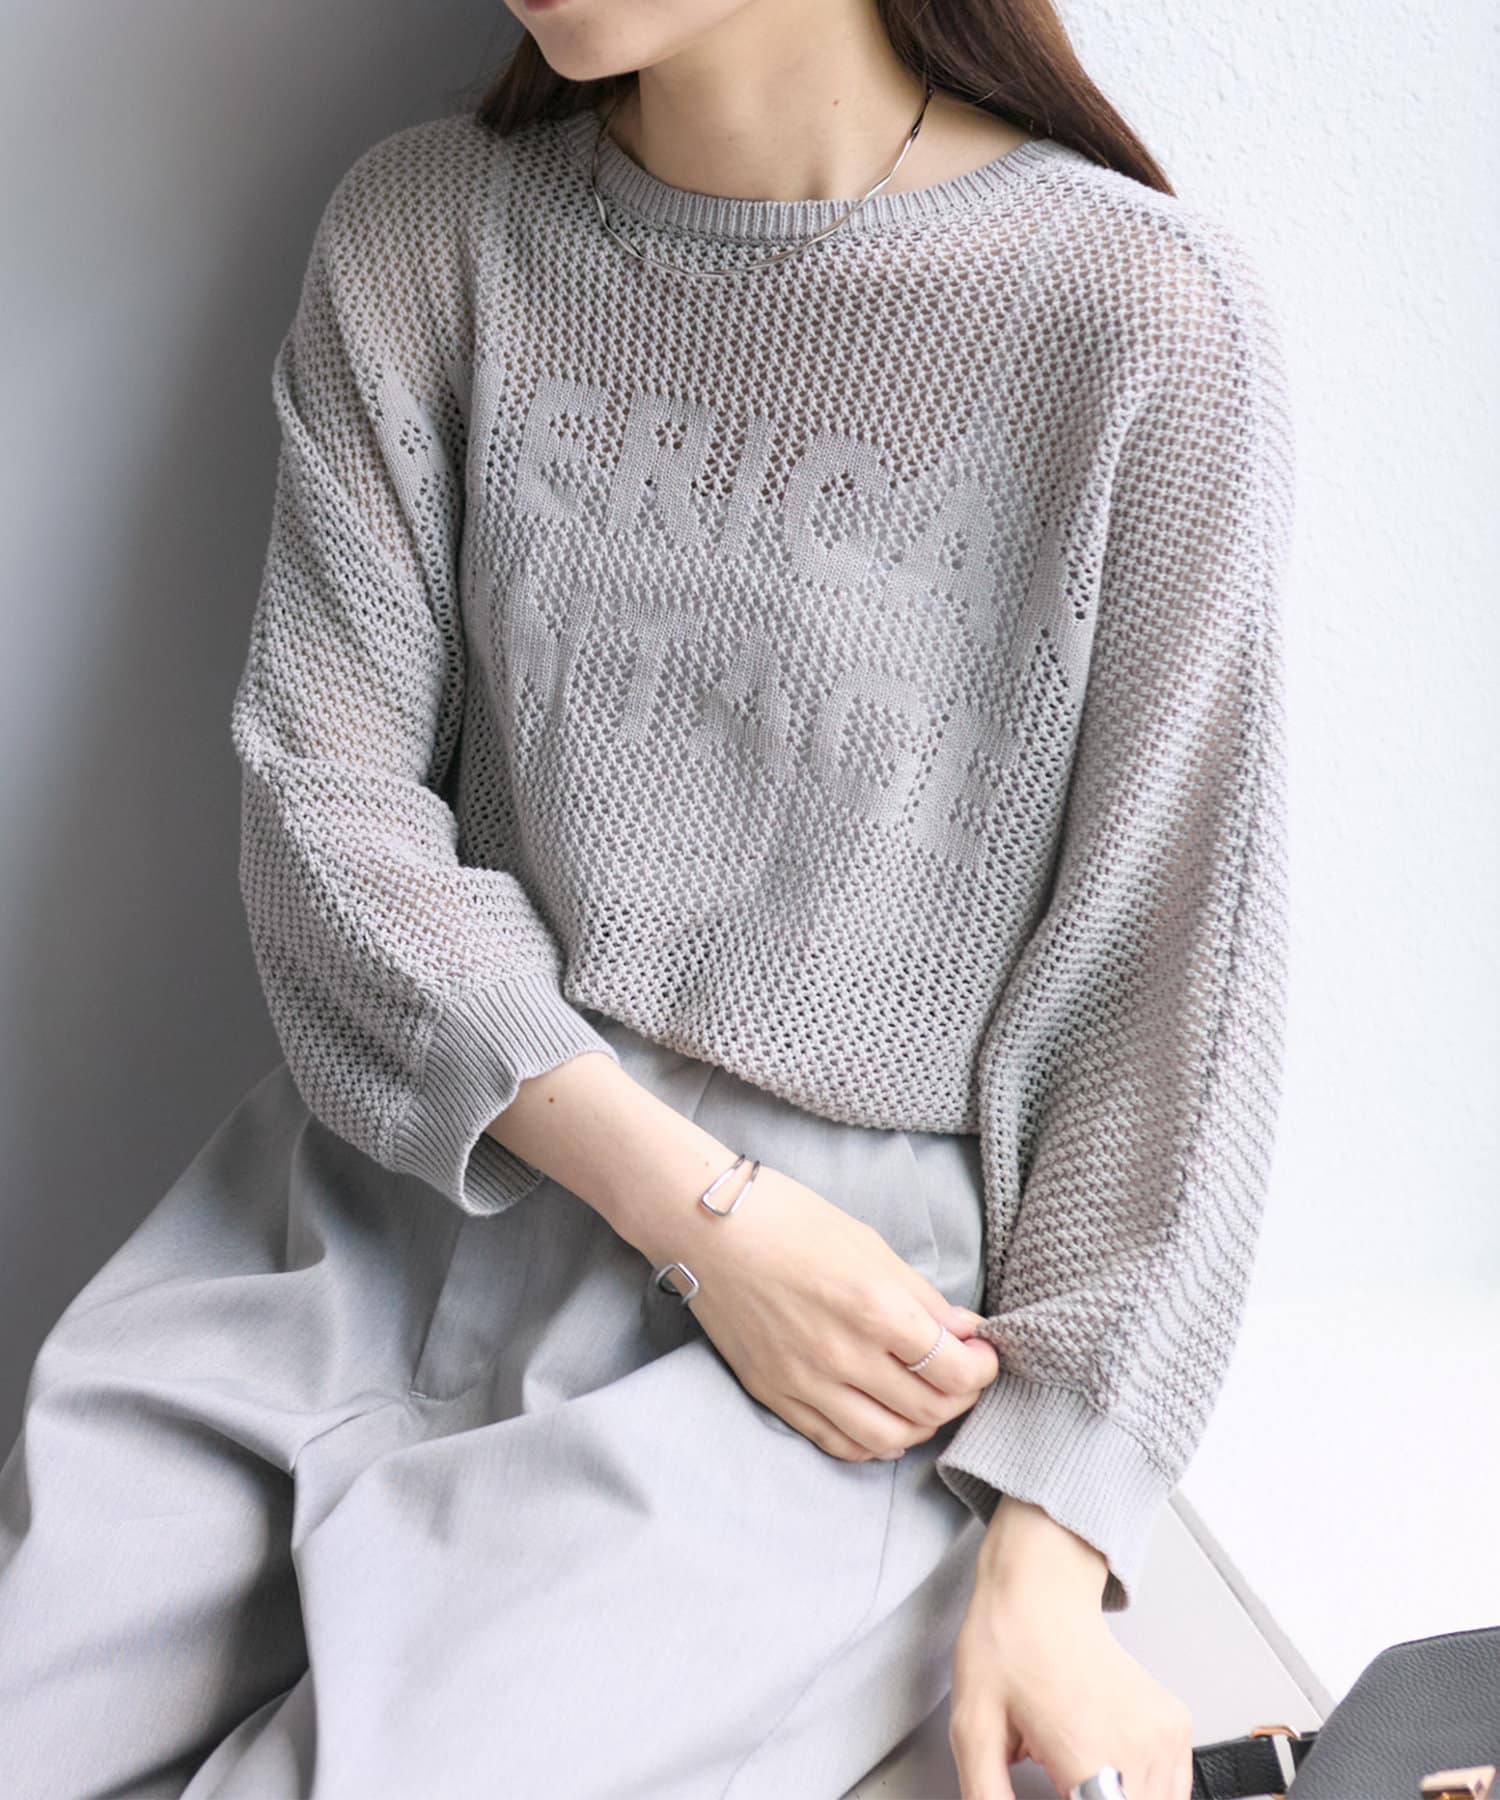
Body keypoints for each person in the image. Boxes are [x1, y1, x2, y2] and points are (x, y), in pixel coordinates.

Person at [0, 1, 1296, 1796]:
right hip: (373, 1201)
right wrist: (695, 1211)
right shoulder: (428, 231)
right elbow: (324, 802)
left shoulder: (1137, 318)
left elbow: (1169, 999)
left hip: (820, 1348)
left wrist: (1049, 1554)